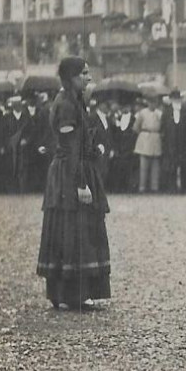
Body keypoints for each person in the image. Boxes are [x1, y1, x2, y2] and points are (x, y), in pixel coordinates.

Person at [35, 57, 111, 311]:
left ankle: (65, 293)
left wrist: (93, 149)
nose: (88, 78)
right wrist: (80, 184)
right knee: (75, 231)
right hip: (70, 173)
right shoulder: (66, 104)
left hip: (73, 169)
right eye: (84, 74)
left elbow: (78, 142)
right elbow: (68, 148)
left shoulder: (73, 100)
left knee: (70, 231)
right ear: (71, 77)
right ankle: (74, 294)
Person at [132, 95, 163, 192]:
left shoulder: (160, 114)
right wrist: (143, 134)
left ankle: (154, 187)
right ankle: (142, 187)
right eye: (151, 102)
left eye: (155, 102)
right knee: (144, 166)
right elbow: (136, 127)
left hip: (156, 137)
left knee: (155, 166)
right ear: (148, 103)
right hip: (145, 137)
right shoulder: (142, 113)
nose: (153, 104)